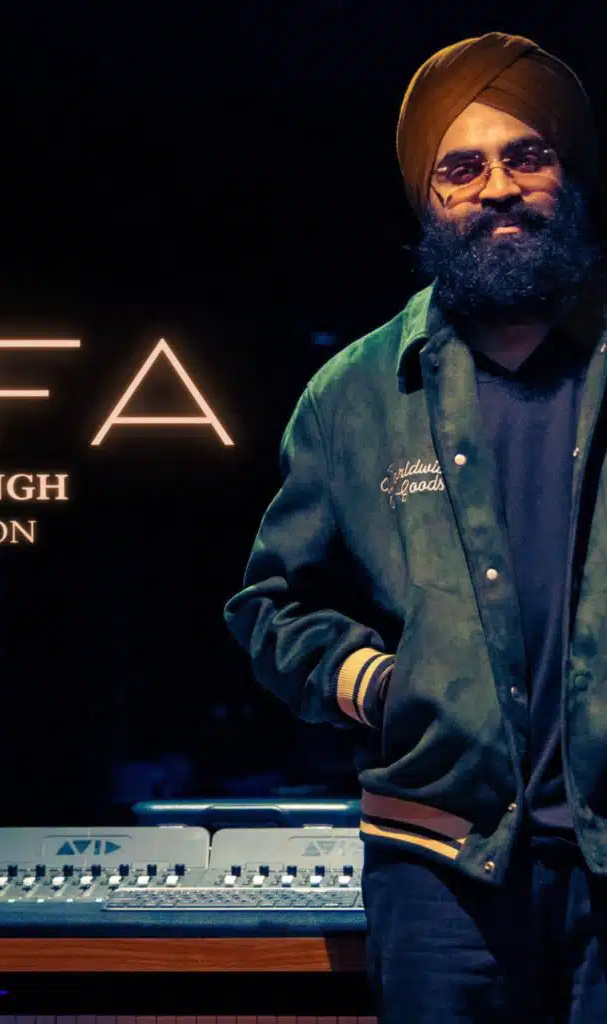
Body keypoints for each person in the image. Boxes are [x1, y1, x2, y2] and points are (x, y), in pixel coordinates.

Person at [224, 32, 607, 1022]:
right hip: (437, 870)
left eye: (527, 156)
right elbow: (273, 605)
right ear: (426, 198)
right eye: (461, 168)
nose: (497, 188)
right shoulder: (352, 392)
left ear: (568, 172)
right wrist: (382, 686)